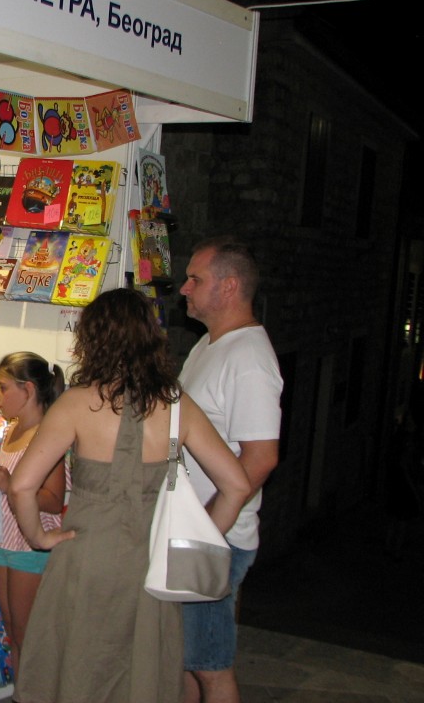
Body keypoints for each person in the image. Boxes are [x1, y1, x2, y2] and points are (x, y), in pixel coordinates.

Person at [9, 288, 250, 703]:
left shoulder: (75, 404)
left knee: (79, 672)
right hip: (151, 564)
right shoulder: (176, 406)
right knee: (140, 674)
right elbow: (238, 485)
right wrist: (197, 540)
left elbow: (21, 485)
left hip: (85, 559)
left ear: (92, 340)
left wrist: (40, 537)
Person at [177, 236, 283, 703]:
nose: (184, 288)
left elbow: (261, 457)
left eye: (195, 279)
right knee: (186, 658)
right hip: (193, 533)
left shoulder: (249, 359)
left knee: (210, 666)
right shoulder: (209, 344)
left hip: (215, 540)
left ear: (229, 286)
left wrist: (208, 529)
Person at [0, 352, 67, 676]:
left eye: (3, 387)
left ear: (28, 390)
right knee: (12, 628)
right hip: (5, 542)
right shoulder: (10, 431)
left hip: (31, 546)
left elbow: (53, 500)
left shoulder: (48, 434)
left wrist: (11, 485)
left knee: (29, 634)